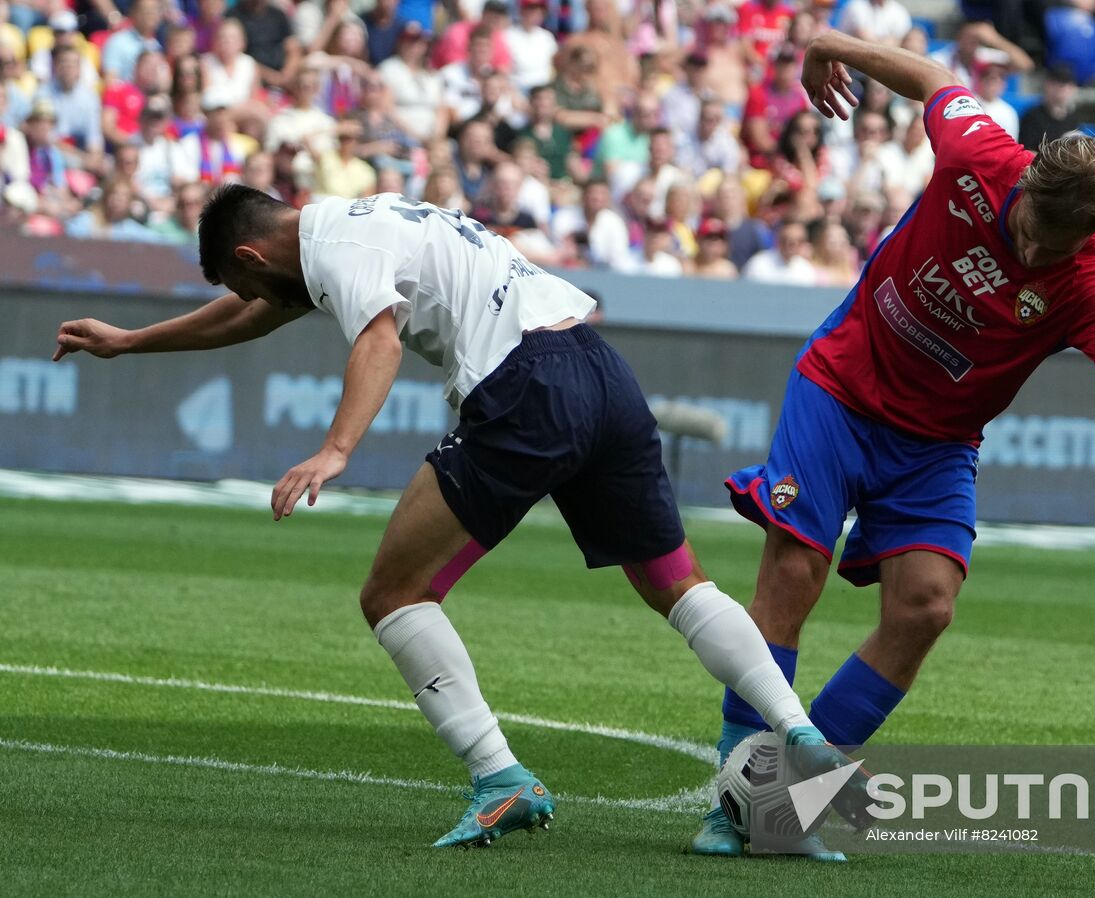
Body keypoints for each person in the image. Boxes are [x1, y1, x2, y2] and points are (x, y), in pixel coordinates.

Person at [52, 184, 863, 850]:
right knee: (678, 586)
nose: (255, 302)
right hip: (600, 370)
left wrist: (336, 449)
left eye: (247, 283)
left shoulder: (335, 249)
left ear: (249, 255)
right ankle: (795, 728)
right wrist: (132, 341)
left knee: (393, 592)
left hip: (526, 387)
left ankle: (499, 776)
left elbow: (378, 340)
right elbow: (257, 311)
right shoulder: (352, 224)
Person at [690, 30, 1095, 859]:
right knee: (793, 569)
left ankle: (780, 807)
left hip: (937, 442)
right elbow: (933, 76)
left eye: (1052, 251)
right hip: (841, 387)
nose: (1033, 254)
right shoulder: (981, 150)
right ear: (1026, 186)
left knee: (926, 605)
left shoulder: (1091, 276)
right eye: (1031, 233)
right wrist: (825, 45)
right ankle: (735, 798)